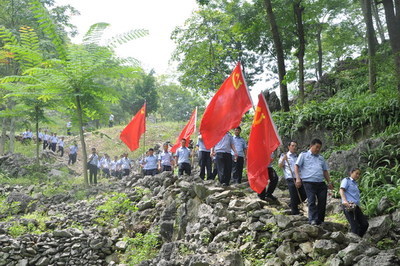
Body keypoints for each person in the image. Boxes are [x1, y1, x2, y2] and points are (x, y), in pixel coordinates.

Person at [295, 138, 334, 225]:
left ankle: (320, 220)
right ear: (311, 146)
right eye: (316, 147)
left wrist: (329, 182)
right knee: (311, 200)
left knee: (322, 201)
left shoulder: (321, 158)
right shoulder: (303, 155)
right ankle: (312, 219)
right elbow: (296, 166)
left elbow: (325, 171)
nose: (318, 149)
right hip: (308, 182)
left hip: (320, 183)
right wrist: (298, 178)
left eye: (319, 148)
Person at [279, 141, 307, 215]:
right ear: (289, 147)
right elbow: (280, 166)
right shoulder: (284, 155)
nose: (294, 147)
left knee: (304, 194)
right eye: (292, 145)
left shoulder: (298, 156)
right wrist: (283, 160)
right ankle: (295, 212)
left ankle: (293, 204)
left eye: (295, 146)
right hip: (290, 177)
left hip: (299, 177)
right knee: (294, 194)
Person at [340, 168, 369, 237]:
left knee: (364, 224)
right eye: (356, 173)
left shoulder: (355, 184)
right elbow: (341, 190)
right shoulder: (346, 180)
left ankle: (358, 238)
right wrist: (344, 200)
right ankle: (354, 243)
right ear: (351, 173)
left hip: (356, 206)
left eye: (359, 174)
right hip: (349, 205)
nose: (358, 175)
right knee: (354, 226)